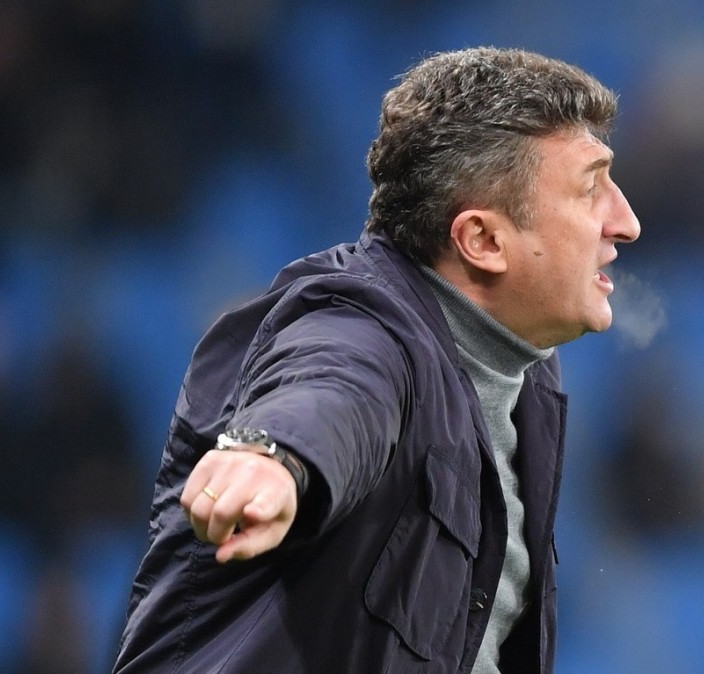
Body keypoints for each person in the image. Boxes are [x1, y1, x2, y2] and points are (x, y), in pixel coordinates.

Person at [112, 46, 640, 673]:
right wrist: (276, 458)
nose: (626, 222)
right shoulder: (365, 326)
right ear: (482, 240)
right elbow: (333, 387)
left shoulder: (525, 380)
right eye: (590, 189)